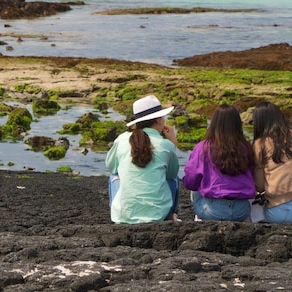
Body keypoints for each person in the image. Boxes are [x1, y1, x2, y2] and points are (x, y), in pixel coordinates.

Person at [106, 94, 181, 223]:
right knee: (172, 178)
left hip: (123, 216)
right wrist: (173, 144)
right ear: (158, 119)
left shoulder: (122, 139)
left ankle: (124, 209)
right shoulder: (165, 145)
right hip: (157, 215)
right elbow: (172, 174)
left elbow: (111, 166)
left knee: (114, 175)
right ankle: (170, 216)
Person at [182, 104, 257, 221]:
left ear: (214, 123)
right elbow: (253, 176)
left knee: (196, 185)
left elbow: (191, 182)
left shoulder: (203, 147)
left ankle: (199, 220)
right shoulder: (246, 147)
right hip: (242, 211)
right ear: (238, 124)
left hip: (213, 211)